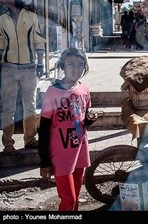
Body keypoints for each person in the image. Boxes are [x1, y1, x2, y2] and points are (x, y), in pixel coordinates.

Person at [38, 47, 99, 211]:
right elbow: (43, 129)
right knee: (69, 200)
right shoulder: (53, 92)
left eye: (80, 65)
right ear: (62, 66)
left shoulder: (84, 89)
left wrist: (90, 119)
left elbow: (81, 121)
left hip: (79, 151)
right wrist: (44, 161)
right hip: (60, 156)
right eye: (71, 64)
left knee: (76, 198)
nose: (76, 69)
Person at [0, 0, 46, 152]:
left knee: (30, 106)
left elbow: (39, 41)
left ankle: (30, 139)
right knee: (8, 107)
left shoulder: (31, 17)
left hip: (29, 68)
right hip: (8, 69)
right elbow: (0, 43)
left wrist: (40, 63)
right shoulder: (2, 19)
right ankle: (8, 143)